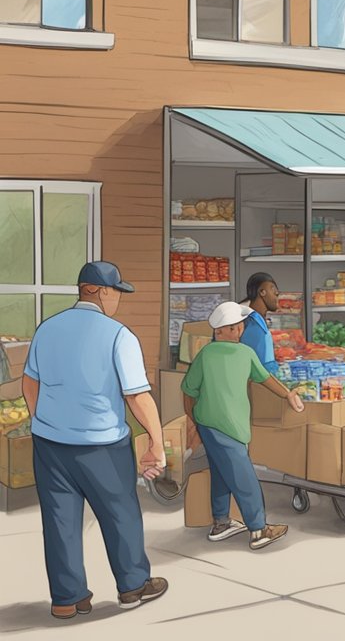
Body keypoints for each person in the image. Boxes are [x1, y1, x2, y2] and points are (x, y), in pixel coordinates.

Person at [21, 261, 169, 618]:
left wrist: (44, 420)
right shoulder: (118, 335)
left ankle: (67, 599)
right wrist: (156, 442)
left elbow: (30, 383)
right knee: (120, 514)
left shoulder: (47, 329)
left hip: (50, 445)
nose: (118, 298)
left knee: (60, 521)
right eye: (116, 291)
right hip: (102, 444)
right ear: (101, 291)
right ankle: (133, 585)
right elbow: (137, 396)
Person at [183, 301, 302, 551]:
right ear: (220, 331)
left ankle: (221, 523)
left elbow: (188, 389)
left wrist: (193, 418)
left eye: (240, 326)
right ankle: (258, 529)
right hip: (231, 427)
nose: (239, 330)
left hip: (208, 423)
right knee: (245, 478)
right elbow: (266, 379)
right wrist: (287, 394)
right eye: (234, 327)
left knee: (221, 473)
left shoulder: (205, 354)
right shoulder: (245, 354)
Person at [239, 272, 280, 375]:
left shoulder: (256, 320)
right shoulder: (252, 324)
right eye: (272, 288)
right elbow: (259, 368)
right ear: (262, 292)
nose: (277, 293)